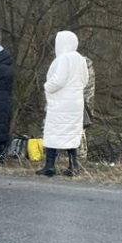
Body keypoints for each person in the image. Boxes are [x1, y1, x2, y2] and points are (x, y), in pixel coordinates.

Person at [38, 31, 89, 177]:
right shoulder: (80, 59)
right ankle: (74, 166)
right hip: (76, 103)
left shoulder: (62, 59)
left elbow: (58, 81)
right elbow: (85, 80)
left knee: (54, 133)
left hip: (61, 104)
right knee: (72, 134)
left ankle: (50, 166)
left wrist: (47, 87)